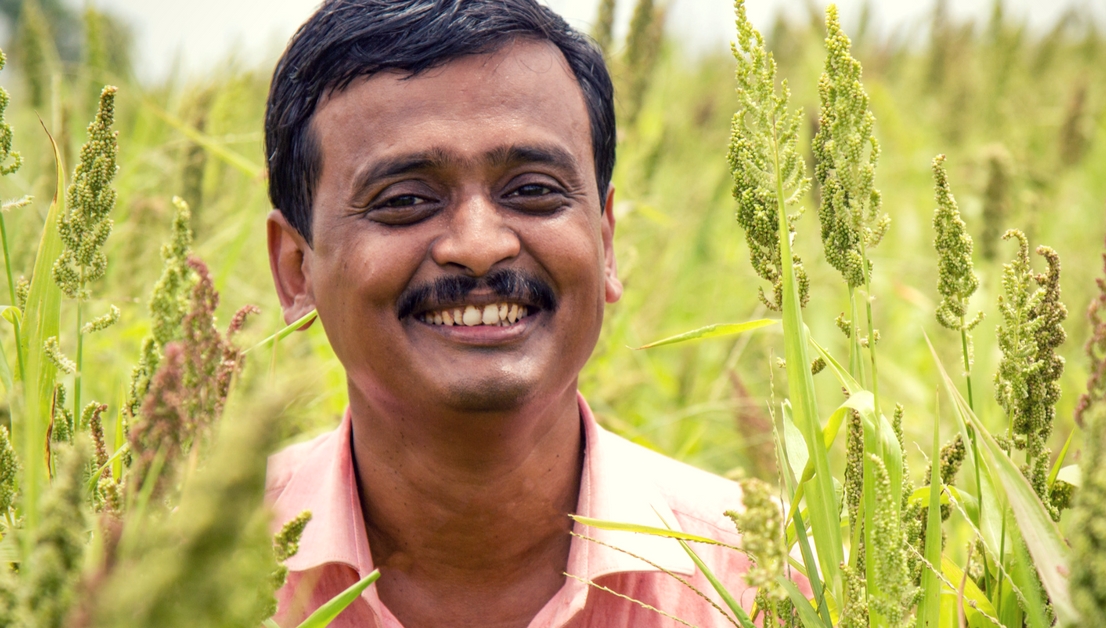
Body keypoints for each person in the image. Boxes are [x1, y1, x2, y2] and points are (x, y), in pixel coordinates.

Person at [263, 1, 806, 626]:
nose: (479, 245)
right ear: (295, 269)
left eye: (533, 191)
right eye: (406, 200)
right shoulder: (170, 579)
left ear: (604, 239)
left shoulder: (768, 582)